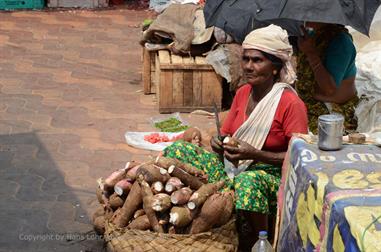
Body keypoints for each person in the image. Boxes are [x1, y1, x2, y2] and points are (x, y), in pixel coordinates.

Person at [162, 25, 308, 251]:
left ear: (275, 67)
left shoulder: (290, 103)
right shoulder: (243, 93)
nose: (249, 66)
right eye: (246, 59)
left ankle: (258, 240)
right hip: (235, 167)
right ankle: (192, 211)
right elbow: (228, 135)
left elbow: (299, 158)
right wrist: (218, 143)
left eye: (258, 61)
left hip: (270, 176)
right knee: (178, 151)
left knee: (248, 183)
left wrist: (256, 154)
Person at [296, 22, 359, 133]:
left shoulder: (341, 43)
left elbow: (329, 89)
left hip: (333, 108)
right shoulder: (312, 34)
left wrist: (311, 54)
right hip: (310, 100)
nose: (306, 16)